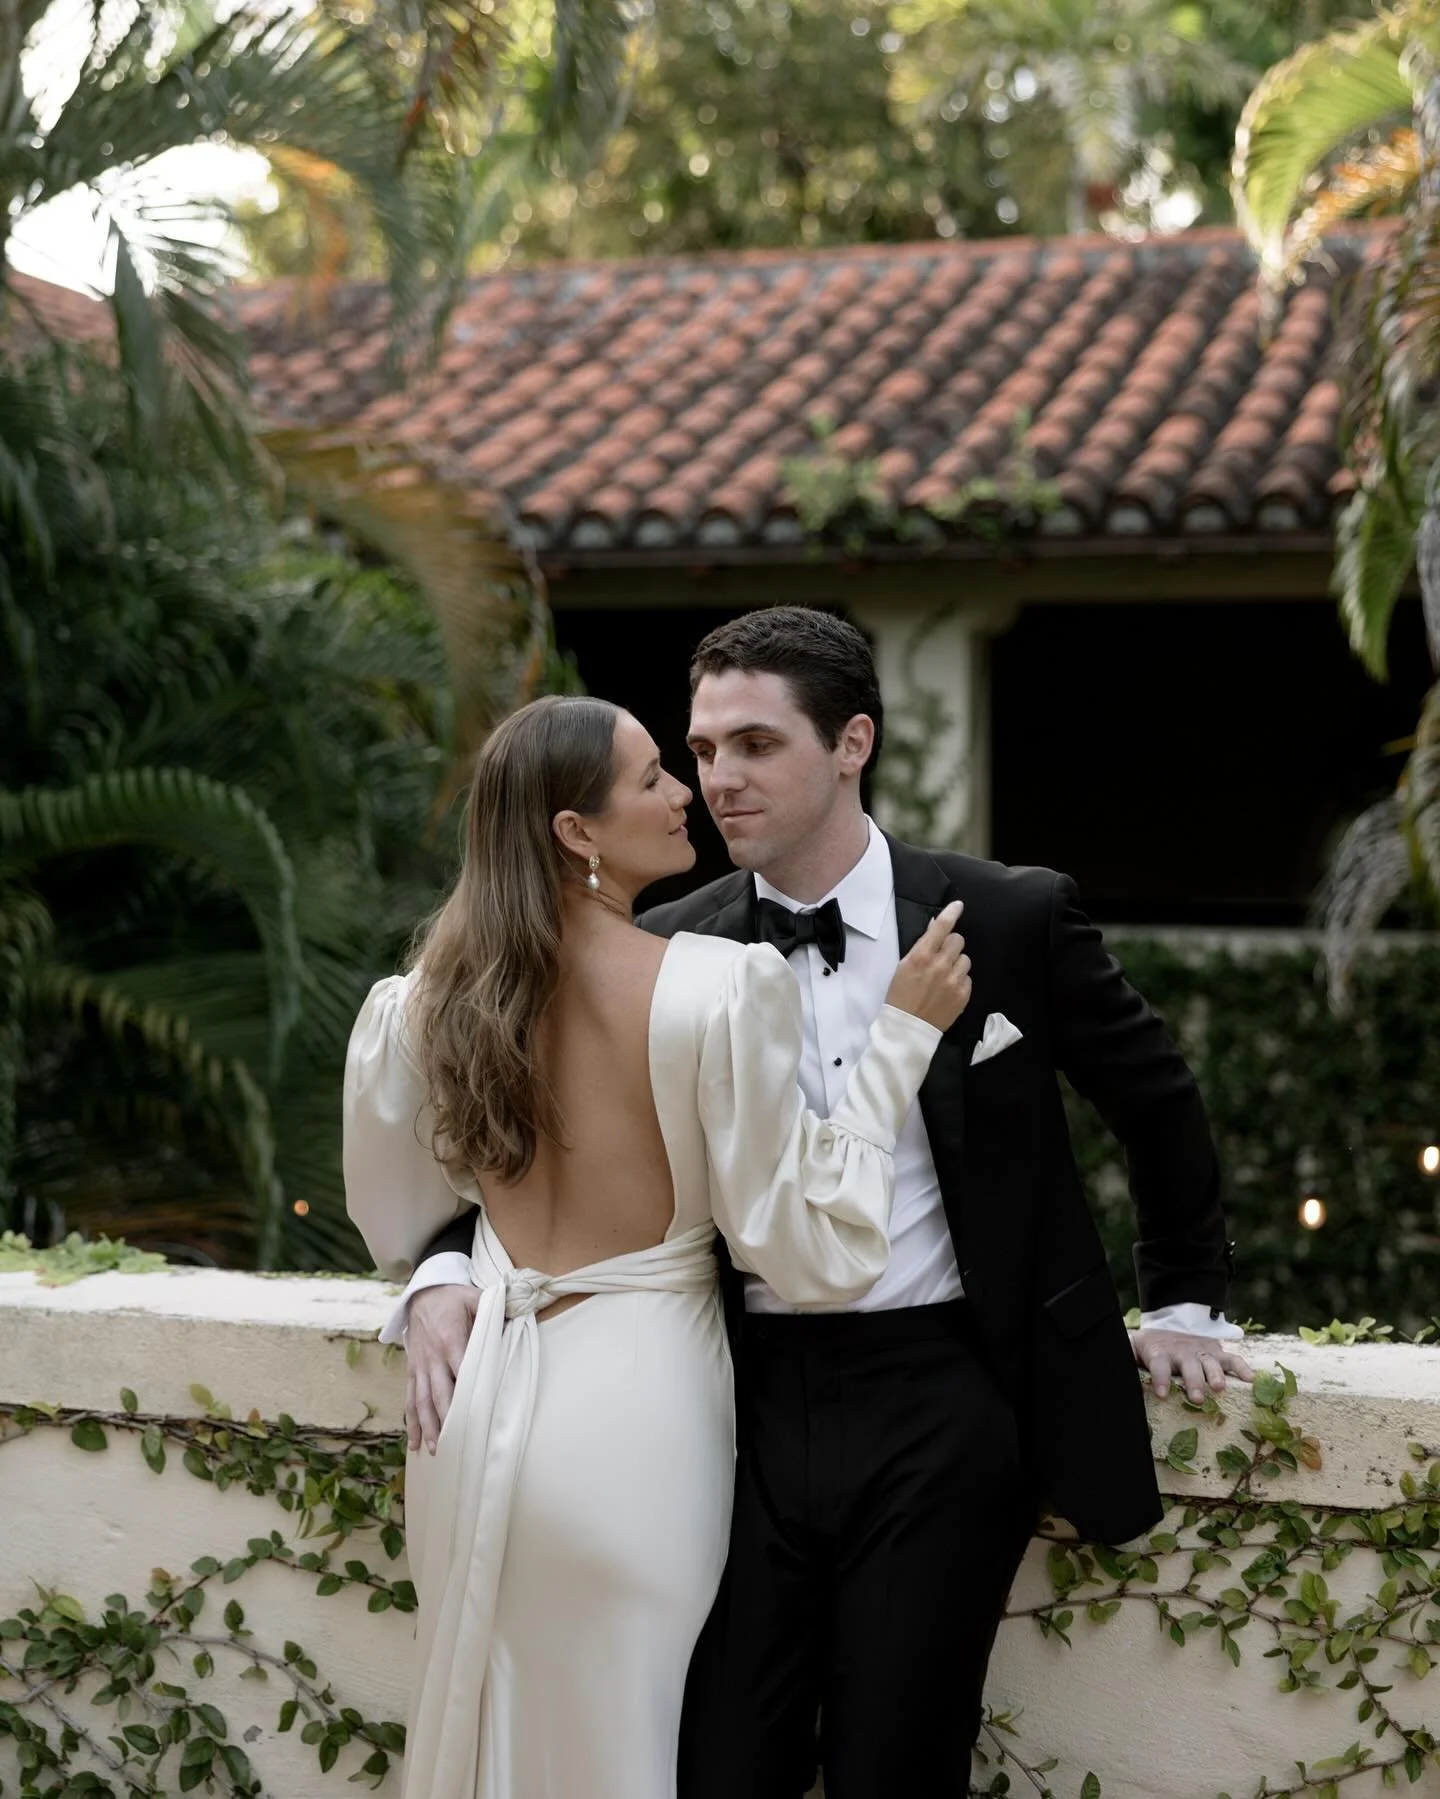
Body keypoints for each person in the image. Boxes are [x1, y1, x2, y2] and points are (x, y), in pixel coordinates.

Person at [399, 607, 1255, 1799]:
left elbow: (1157, 1100)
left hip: (945, 1393)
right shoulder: (670, 946)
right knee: (718, 1763)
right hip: (732, 1407)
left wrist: (1185, 1302)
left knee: (894, 1765)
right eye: (702, 751)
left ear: (853, 742)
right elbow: (525, 1140)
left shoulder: (1008, 916)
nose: (719, 780)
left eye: (756, 744)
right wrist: (443, 1268)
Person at [342, 692, 973, 1799]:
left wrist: (443, 1273)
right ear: (576, 831)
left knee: (499, 1733)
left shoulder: (424, 1001)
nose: (688, 791)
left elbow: (399, 1212)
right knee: (628, 1742)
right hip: (637, 1423)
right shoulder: (716, 987)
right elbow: (809, 1245)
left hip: (476, 1408)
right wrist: (900, 1041)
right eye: (651, 778)